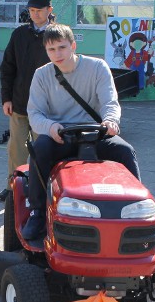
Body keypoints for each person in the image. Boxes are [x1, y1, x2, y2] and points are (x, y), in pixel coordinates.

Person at [22, 24, 141, 240]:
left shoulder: (97, 67)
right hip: (60, 135)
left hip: (95, 134)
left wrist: (111, 121)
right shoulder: (42, 75)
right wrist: (50, 127)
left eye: (62, 47)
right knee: (39, 150)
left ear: (73, 46)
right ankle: (38, 212)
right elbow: (35, 114)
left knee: (125, 151)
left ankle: (135, 209)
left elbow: (110, 101)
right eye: (51, 50)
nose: (57, 54)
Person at [0, 0, 54, 201]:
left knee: (42, 150)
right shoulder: (19, 34)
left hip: (47, 106)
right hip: (20, 102)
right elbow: (8, 67)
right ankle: (13, 186)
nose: (35, 14)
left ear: (49, 10)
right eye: (31, 11)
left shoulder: (57, 35)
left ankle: (40, 187)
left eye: (39, 10)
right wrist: (6, 98)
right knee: (15, 148)